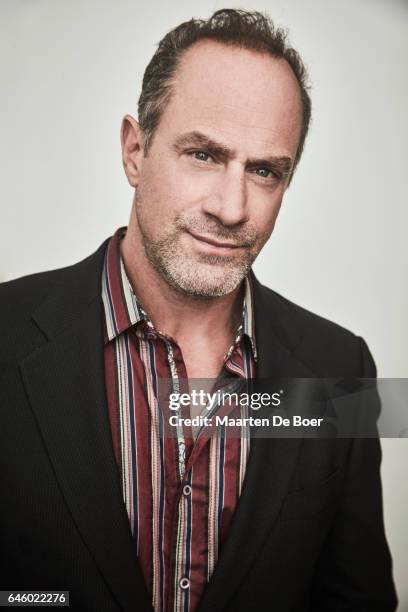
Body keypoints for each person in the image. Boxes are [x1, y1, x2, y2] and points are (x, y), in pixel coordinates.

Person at [0, 8, 397, 612]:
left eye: (264, 170)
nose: (233, 207)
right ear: (135, 150)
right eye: (204, 155)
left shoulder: (344, 366)